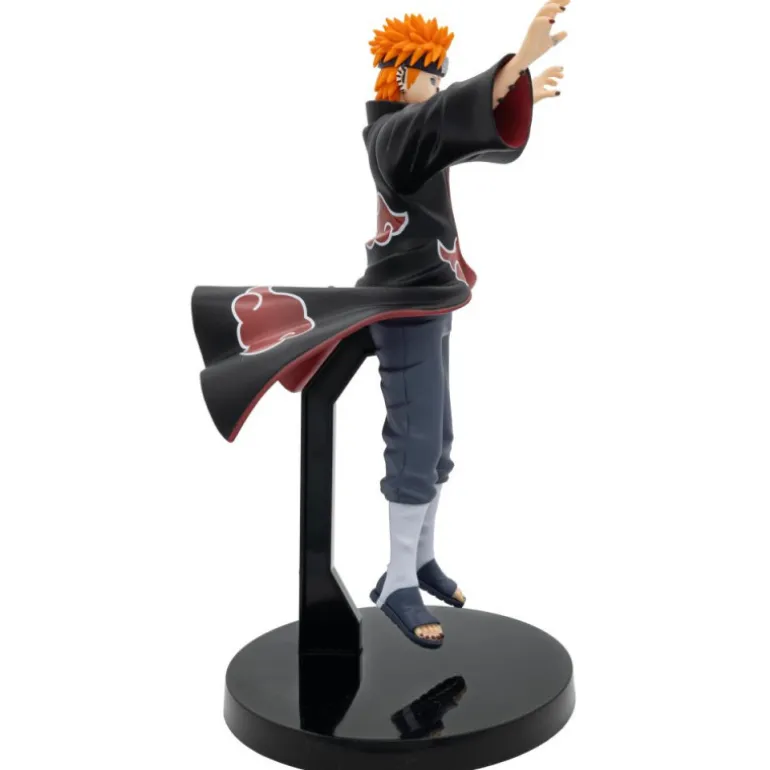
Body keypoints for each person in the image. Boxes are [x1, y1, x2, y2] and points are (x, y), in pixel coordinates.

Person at [359, 8, 569, 647]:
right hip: (404, 303)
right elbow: (442, 119)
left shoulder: (416, 134)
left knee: (439, 441)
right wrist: (513, 66)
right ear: (401, 78)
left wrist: (513, 91)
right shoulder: (391, 137)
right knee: (415, 442)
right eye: (432, 76)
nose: (439, 86)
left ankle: (420, 559)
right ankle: (397, 581)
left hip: (434, 294)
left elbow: (461, 134)